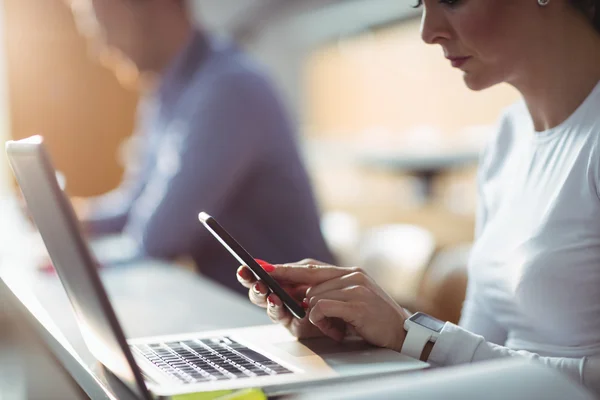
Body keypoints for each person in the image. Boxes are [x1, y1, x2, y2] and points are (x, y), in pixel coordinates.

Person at [237, 0, 600, 395]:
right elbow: (476, 352)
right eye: (418, 3)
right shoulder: (508, 137)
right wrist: (359, 332)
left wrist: (410, 333)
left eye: (451, 1)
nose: (428, 32)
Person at [66, 0, 335, 294]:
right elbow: (137, 202)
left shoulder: (229, 88)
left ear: (157, 8)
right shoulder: (166, 91)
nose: (102, 47)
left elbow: (159, 237)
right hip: (236, 306)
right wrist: (77, 218)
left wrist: (79, 264)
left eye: (107, 27)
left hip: (296, 316)